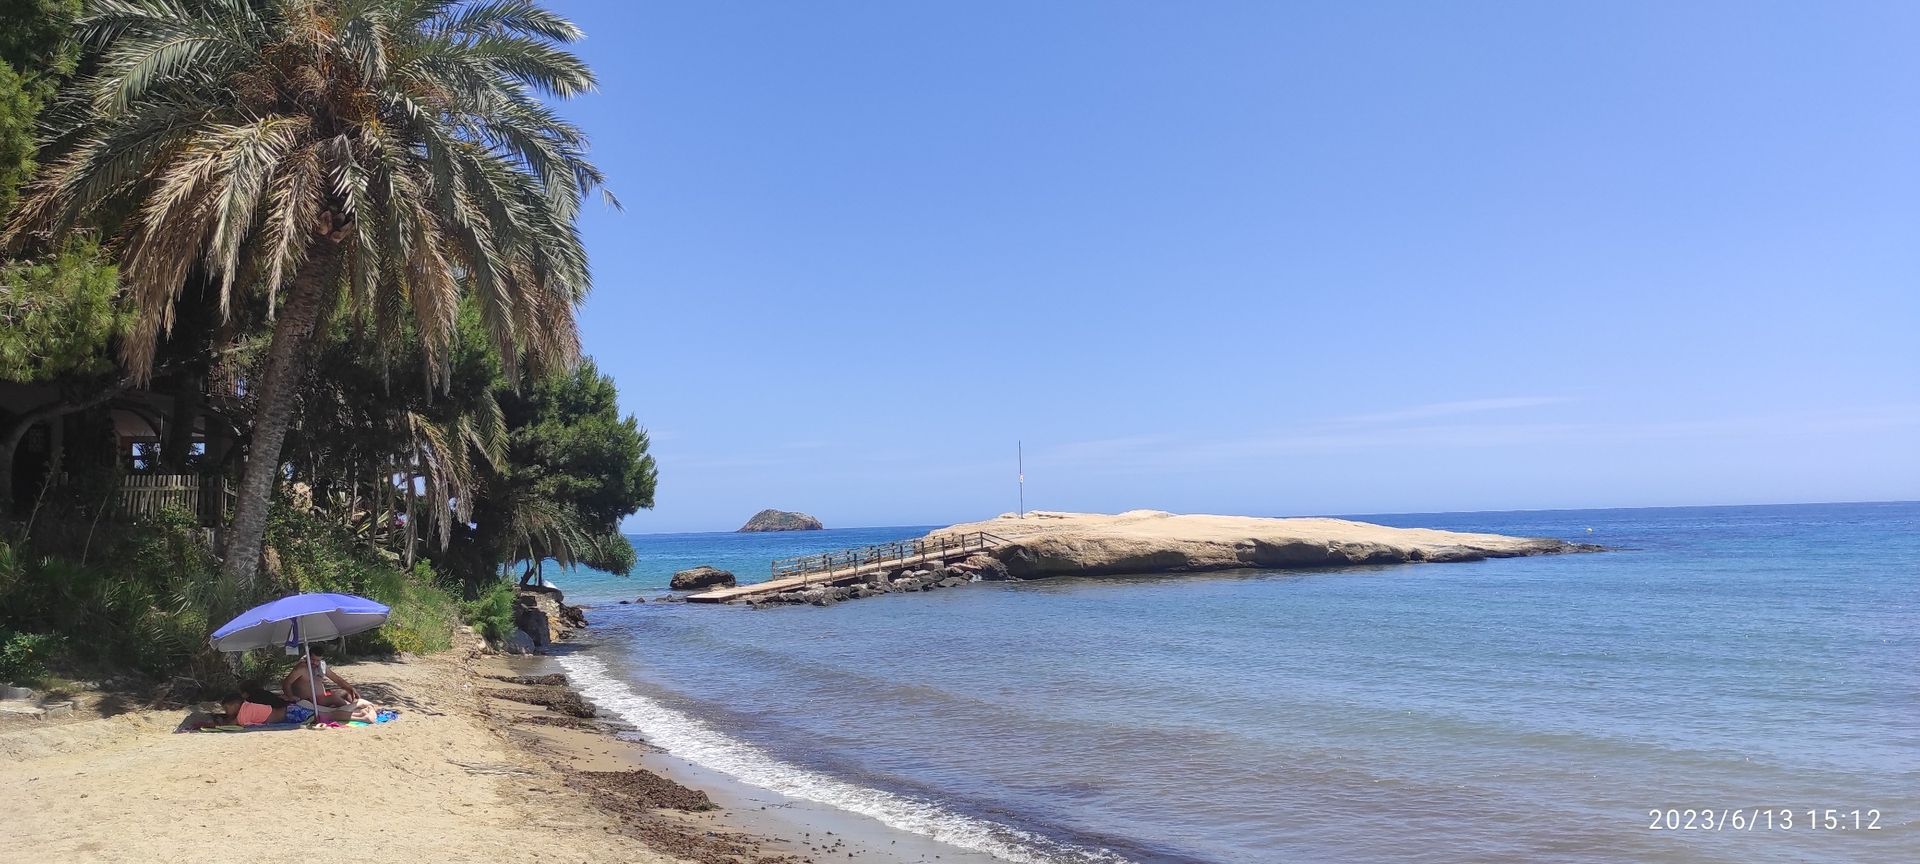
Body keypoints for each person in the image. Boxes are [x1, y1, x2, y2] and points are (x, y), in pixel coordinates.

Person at [281, 645, 360, 709]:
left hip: (322, 697)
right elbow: (286, 683)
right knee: (335, 698)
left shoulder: (322, 666)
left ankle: (350, 705)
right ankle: (350, 709)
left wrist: (350, 688)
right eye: (312, 660)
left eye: (318, 660)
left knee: (345, 692)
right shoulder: (301, 668)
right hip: (310, 700)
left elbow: (337, 679)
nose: (315, 663)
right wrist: (290, 696)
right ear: (307, 656)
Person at [220, 694, 368, 726]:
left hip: (292, 715)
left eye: (227, 708)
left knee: (328, 715)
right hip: (291, 711)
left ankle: (361, 717)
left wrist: (214, 723)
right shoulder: (247, 705)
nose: (227, 712)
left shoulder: (244, 712)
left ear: (235, 705)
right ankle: (358, 714)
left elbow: (232, 723)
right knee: (328, 714)